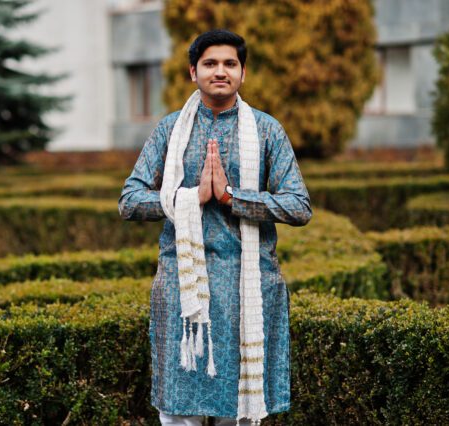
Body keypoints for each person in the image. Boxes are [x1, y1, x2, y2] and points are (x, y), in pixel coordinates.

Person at [118, 29, 312, 426]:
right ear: (193, 72)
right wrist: (190, 198)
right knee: (179, 408)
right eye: (210, 63)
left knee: (239, 412)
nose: (220, 71)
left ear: (242, 73)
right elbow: (129, 200)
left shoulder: (266, 130)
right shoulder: (171, 130)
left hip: (250, 285)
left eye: (230, 63)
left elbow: (299, 206)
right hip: (183, 286)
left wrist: (230, 197)